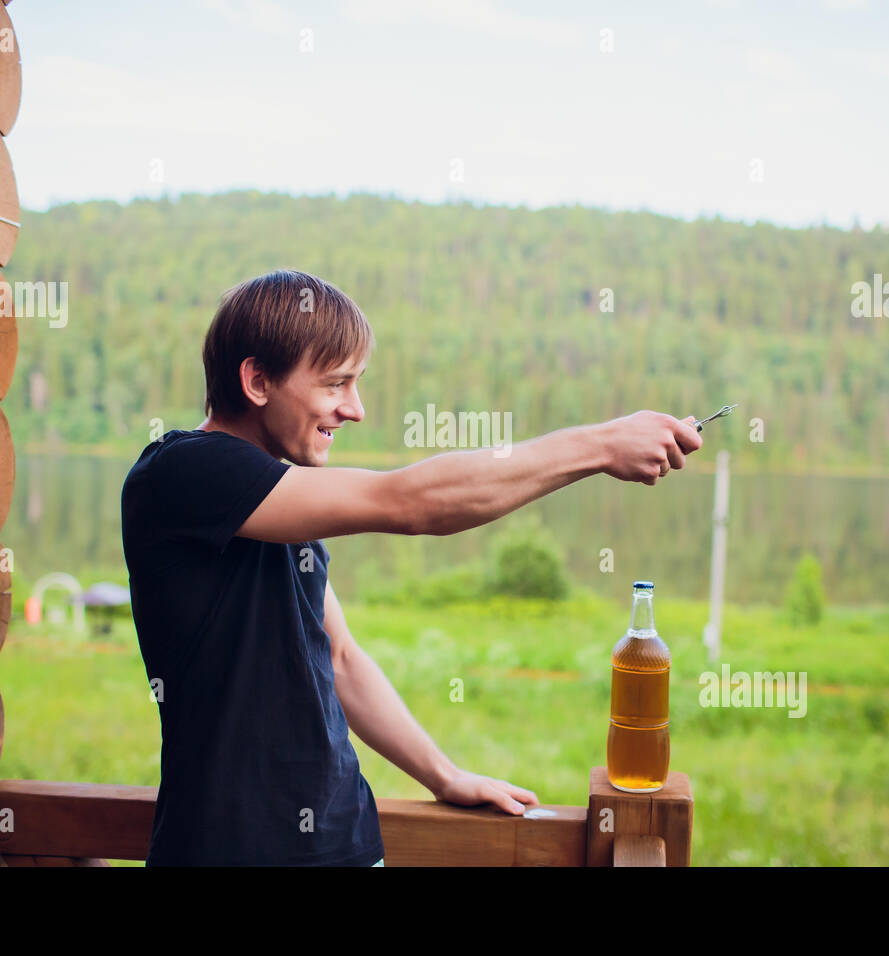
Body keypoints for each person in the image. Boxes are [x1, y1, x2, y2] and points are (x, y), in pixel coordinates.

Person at [120, 269, 702, 866]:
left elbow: (340, 658)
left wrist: (443, 775)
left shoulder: (283, 504)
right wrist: (600, 445)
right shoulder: (183, 473)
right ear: (258, 380)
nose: (355, 409)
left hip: (347, 845)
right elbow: (408, 502)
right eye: (336, 384)